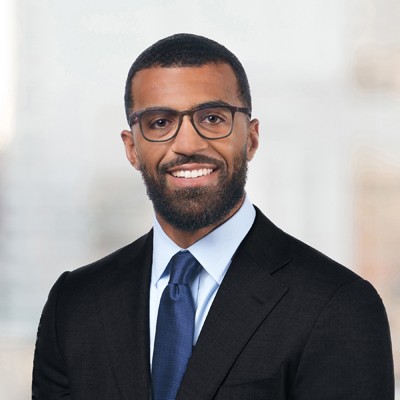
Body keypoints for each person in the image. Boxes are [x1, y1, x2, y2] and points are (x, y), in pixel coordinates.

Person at [32, 33, 394, 400]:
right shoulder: (74, 305)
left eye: (212, 118)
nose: (188, 144)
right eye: (160, 123)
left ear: (251, 138)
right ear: (132, 149)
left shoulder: (338, 306)